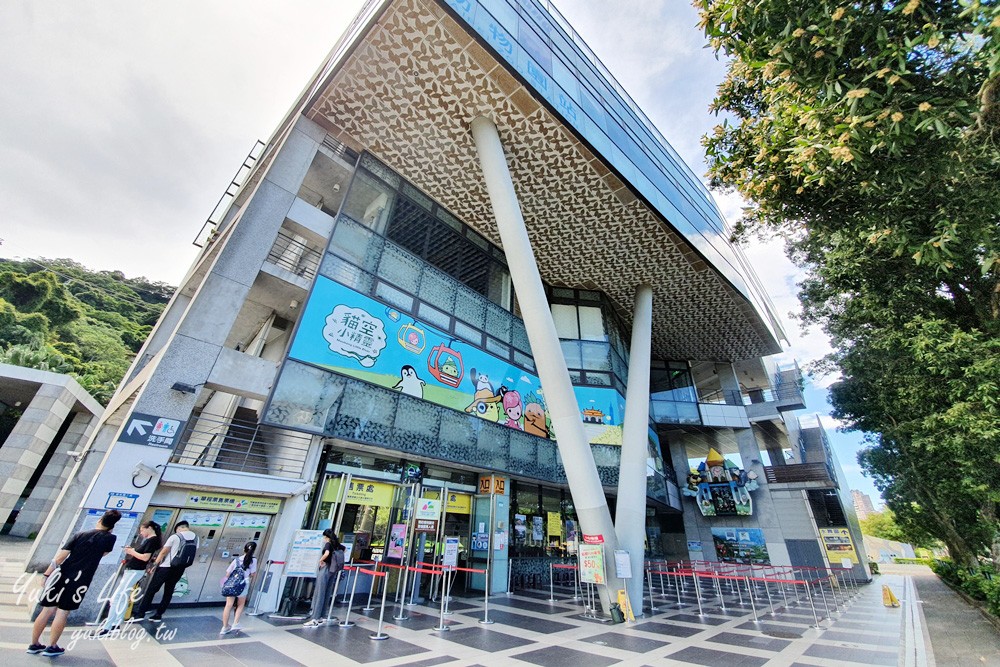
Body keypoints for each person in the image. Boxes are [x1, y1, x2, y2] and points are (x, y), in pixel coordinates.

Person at [28, 509, 121, 657]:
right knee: (63, 612)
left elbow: (60, 557)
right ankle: (52, 646)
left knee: (47, 610)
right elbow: (104, 554)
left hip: (62, 574)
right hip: (80, 579)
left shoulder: (80, 535)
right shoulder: (110, 538)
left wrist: (46, 574)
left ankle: (34, 644)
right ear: (112, 526)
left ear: (99, 520)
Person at [98, 520, 162, 637]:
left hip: (135, 571)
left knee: (117, 597)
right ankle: (116, 624)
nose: (141, 533)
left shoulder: (152, 540)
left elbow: (145, 557)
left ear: (149, 528)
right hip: (134, 571)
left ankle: (107, 627)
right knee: (123, 597)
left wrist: (131, 551)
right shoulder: (150, 540)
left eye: (142, 530)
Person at [133, 520, 198, 623]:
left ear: (178, 528)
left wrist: (155, 564)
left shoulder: (175, 536)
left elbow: (163, 552)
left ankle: (141, 613)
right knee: (169, 591)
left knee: (152, 589)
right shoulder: (196, 538)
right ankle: (158, 615)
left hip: (166, 567)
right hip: (180, 568)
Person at [303, 530, 345, 627]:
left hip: (326, 568)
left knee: (319, 592)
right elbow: (344, 549)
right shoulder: (337, 544)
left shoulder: (328, 544)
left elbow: (326, 553)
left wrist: (321, 560)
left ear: (326, 537)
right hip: (333, 569)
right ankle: (322, 615)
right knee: (327, 592)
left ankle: (315, 617)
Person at [219, 541, 257, 635]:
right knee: (240, 604)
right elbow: (252, 574)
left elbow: (228, 573)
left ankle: (225, 627)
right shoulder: (253, 560)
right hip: (243, 584)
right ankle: (235, 623)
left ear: (244, 549)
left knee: (228, 605)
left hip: (231, 585)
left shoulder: (236, 560)